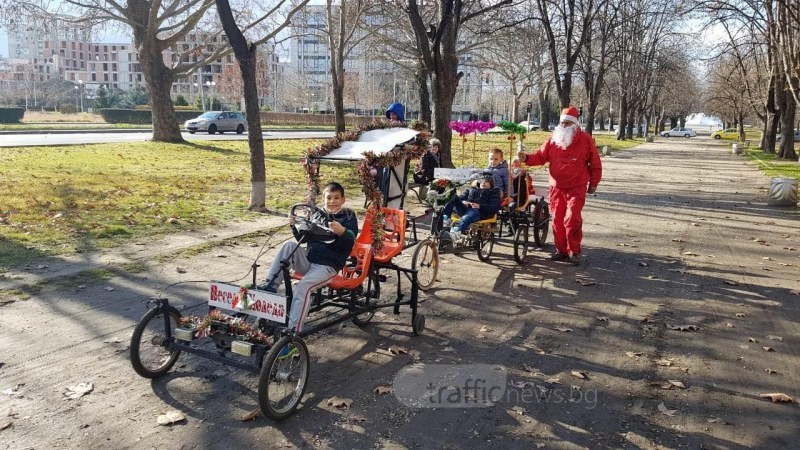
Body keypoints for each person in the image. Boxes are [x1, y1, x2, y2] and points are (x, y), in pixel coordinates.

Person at [262, 182, 358, 331]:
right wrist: (294, 225)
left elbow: (350, 240)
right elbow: (304, 239)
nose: (332, 201)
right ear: (324, 199)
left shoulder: (348, 216)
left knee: (302, 287)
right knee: (289, 246)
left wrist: (343, 232)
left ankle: (293, 332)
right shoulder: (316, 214)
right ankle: (270, 286)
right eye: (329, 198)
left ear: (343, 200)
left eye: (336, 198)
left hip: (328, 266)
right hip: (309, 260)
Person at [517, 106, 602, 266]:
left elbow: (595, 163)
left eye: (568, 123)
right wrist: (526, 158)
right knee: (557, 219)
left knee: (572, 219)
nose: (564, 126)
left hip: (576, 187)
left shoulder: (585, 139)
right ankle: (561, 250)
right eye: (562, 123)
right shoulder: (553, 139)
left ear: (575, 125)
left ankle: (574, 251)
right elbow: (540, 157)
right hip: (556, 187)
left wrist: (594, 183)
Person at [442, 174, 501, 242]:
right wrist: (463, 201)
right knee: (453, 197)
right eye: (481, 181)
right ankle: (445, 219)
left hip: (480, 212)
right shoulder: (471, 189)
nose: (483, 182)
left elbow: (494, 207)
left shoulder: (494, 192)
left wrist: (479, 206)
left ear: (491, 183)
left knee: (472, 212)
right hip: (465, 209)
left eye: (486, 181)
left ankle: (457, 231)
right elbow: (460, 198)